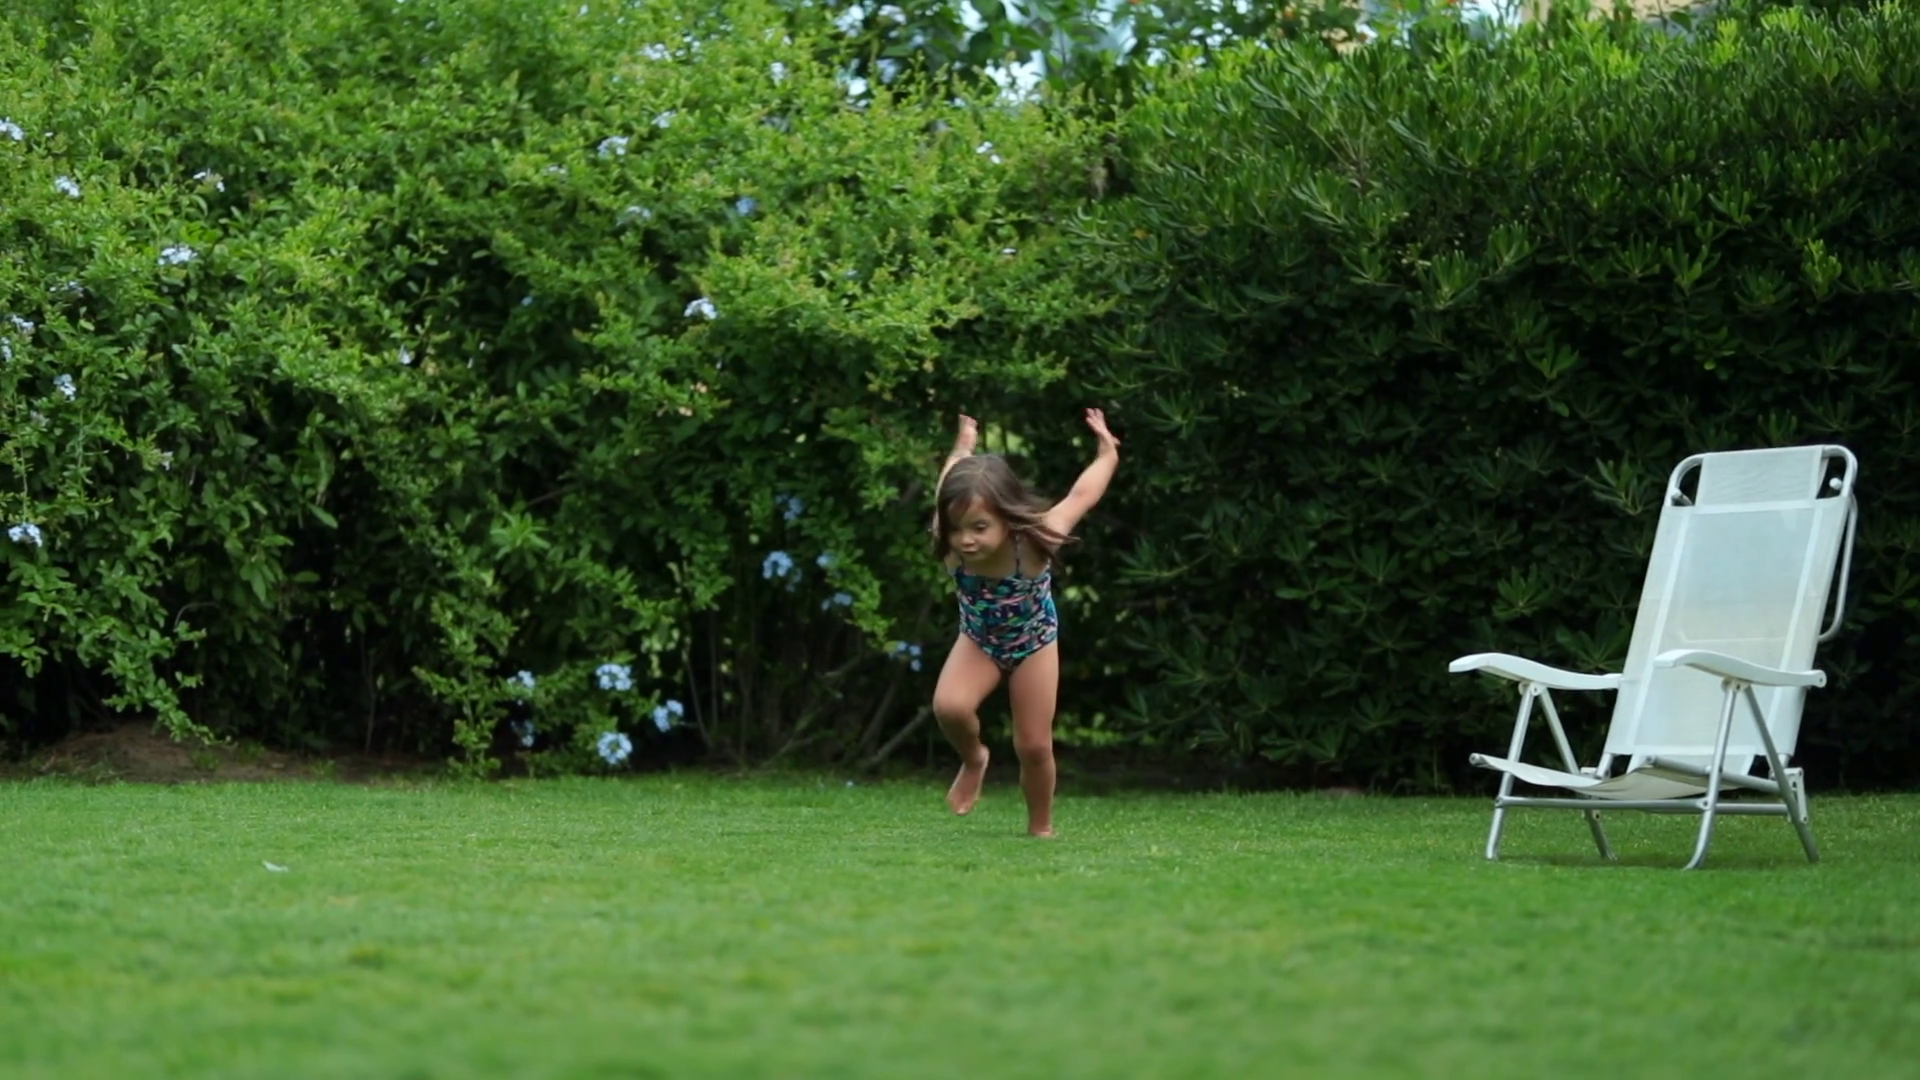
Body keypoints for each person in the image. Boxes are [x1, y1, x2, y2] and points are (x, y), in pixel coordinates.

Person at [928, 408, 1121, 837]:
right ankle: (974, 759)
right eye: (958, 529)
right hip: (979, 640)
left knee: (1033, 746)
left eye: (980, 527)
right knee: (949, 707)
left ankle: (1040, 828)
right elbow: (945, 484)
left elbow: (1081, 496)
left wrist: (1107, 453)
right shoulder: (950, 543)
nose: (966, 539)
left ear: (1006, 518)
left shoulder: (1035, 542)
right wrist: (962, 448)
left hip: (1034, 642)